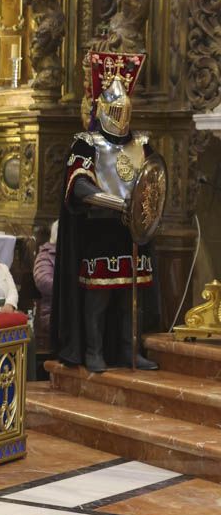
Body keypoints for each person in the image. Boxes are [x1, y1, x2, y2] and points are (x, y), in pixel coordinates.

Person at [54, 52, 159, 372]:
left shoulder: (141, 142)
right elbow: (78, 184)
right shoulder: (87, 142)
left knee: (131, 296)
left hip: (133, 231)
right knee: (99, 297)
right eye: (115, 110)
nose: (120, 116)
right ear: (102, 110)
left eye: (124, 110)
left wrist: (147, 211)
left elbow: (154, 179)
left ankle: (129, 350)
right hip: (99, 229)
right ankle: (94, 351)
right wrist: (118, 204)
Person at [33, 221, 57, 347]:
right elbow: (43, 281)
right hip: (52, 311)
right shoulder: (46, 255)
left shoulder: (71, 253)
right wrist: (70, 288)